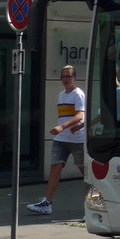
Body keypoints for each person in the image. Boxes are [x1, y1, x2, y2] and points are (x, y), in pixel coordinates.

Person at [26, 65, 85, 216]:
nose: (66, 79)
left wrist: (62, 127)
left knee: (86, 172)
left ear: (75, 78)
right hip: (61, 139)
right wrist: (61, 130)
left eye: (69, 76)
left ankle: (98, 203)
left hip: (77, 140)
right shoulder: (61, 94)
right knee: (55, 169)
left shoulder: (78, 94)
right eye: (63, 77)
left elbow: (80, 115)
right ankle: (47, 203)